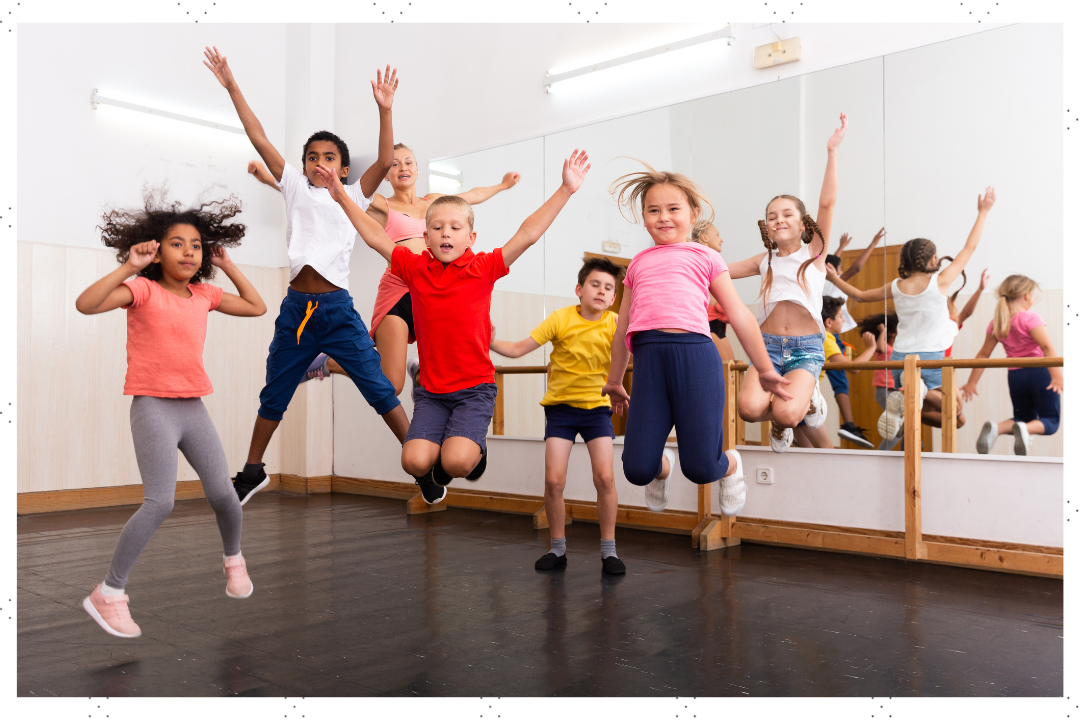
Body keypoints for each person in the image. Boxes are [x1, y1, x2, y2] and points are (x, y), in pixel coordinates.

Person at [316, 150, 592, 504]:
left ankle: (471, 448)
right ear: (425, 237)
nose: (445, 233)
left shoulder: (483, 267)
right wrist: (340, 195)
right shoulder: (415, 269)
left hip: (474, 390)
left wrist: (565, 190)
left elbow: (527, 234)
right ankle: (450, 449)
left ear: (470, 238)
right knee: (413, 462)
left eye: (455, 228)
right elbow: (374, 236)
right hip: (433, 392)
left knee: (458, 461)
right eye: (436, 228)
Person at [204, 47, 411, 504]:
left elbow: (384, 159)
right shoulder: (294, 186)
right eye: (313, 157)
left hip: (338, 309)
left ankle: (418, 459)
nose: (321, 162)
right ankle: (253, 469)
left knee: (377, 386)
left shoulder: (355, 192)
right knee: (275, 390)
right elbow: (258, 137)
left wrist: (385, 109)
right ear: (302, 167)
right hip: (297, 308)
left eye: (330, 156)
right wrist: (232, 86)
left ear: (343, 167)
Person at [75, 192, 266, 638]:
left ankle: (233, 559)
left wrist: (231, 267)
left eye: (195, 245)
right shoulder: (142, 289)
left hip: (193, 408)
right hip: (154, 407)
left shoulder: (205, 294)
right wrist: (129, 267)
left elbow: (257, 307)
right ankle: (109, 592)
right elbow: (86, 304)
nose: (188, 251)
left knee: (224, 493)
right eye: (177, 243)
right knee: (160, 501)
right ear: (156, 250)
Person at [250, 144, 521, 395]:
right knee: (392, 385)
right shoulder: (381, 204)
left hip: (431, 288)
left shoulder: (434, 203)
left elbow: (472, 196)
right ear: (387, 175)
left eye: (408, 162)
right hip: (398, 288)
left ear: (417, 170)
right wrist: (268, 180)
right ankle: (327, 364)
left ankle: (420, 368)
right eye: (394, 164)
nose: (402, 168)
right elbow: (323, 200)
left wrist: (501, 186)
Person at [602, 162, 790, 519]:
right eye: (653, 210)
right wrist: (614, 380)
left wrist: (764, 368)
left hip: (695, 358)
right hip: (649, 362)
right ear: (643, 217)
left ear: (693, 213)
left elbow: (739, 314)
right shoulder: (638, 264)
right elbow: (622, 328)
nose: (664, 217)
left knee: (703, 468)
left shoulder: (706, 256)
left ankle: (731, 465)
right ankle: (664, 467)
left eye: (674, 209)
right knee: (637, 468)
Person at [489, 258, 627, 575]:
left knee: (605, 477)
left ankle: (609, 552)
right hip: (561, 410)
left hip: (596, 410)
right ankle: (557, 549)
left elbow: (636, 350)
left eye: (609, 288)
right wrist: (490, 340)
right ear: (579, 289)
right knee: (554, 481)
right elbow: (517, 349)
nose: (602, 291)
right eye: (595, 284)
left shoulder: (614, 323)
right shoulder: (560, 318)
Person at [826, 187, 995, 443]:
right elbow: (969, 248)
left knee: (922, 406)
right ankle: (919, 391)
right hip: (930, 357)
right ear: (933, 260)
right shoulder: (940, 282)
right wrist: (983, 212)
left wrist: (834, 278)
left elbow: (858, 295)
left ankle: (912, 393)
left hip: (902, 358)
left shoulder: (896, 286)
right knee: (955, 409)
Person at [727, 113, 848, 454]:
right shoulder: (762, 260)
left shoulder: (815, 253)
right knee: (748, 409)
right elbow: (715, 270)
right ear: (766, 227)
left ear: (802, 223)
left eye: (787, 214)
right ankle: (790, 414)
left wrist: (832, 153)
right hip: (765, 347)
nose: (779, 219)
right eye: (772, 216)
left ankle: (806, 407)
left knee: (786, 412)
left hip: (805, 348)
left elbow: (828, 202)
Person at [962, 275, 1062, 455]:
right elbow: (1047, 347)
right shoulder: (1030, 318)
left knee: (1022, 418)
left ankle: (996, 428)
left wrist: (972, 382)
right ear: (1026, 295)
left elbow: (983, 354)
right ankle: (1025, 429)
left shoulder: (997, 322)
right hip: (1039, 373)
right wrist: (1057, 376)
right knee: (1051, 420)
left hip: (1016, 377)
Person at [821, 227, 884, 445]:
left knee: (839, 378)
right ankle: (848, 424)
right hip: (828, 333)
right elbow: (856, 267)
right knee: (842, 376)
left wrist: (840, 248)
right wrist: (874, 243)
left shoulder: (822, 279)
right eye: (840, 268)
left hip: (826, 330)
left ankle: (843, 424)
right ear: (833, 269)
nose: (842, 271)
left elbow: (832, 261)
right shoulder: (832, 279)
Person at [819, 296, 877, 448]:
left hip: (801, 397)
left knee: (813, 451)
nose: (844, 320)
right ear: (829, 322)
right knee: (826, 451)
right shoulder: (826, 339)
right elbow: (854, 368)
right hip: (806, 398)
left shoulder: (817, 336)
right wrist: (871, 348)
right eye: (841, 316)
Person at [690, 219, 735, 365]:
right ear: (704, 237)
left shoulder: (713, 261)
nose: (721, 239)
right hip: (704, 325)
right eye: (717, 234)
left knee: (732, 371)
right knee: (725, 373)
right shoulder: (697, 260)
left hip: (716, 325)